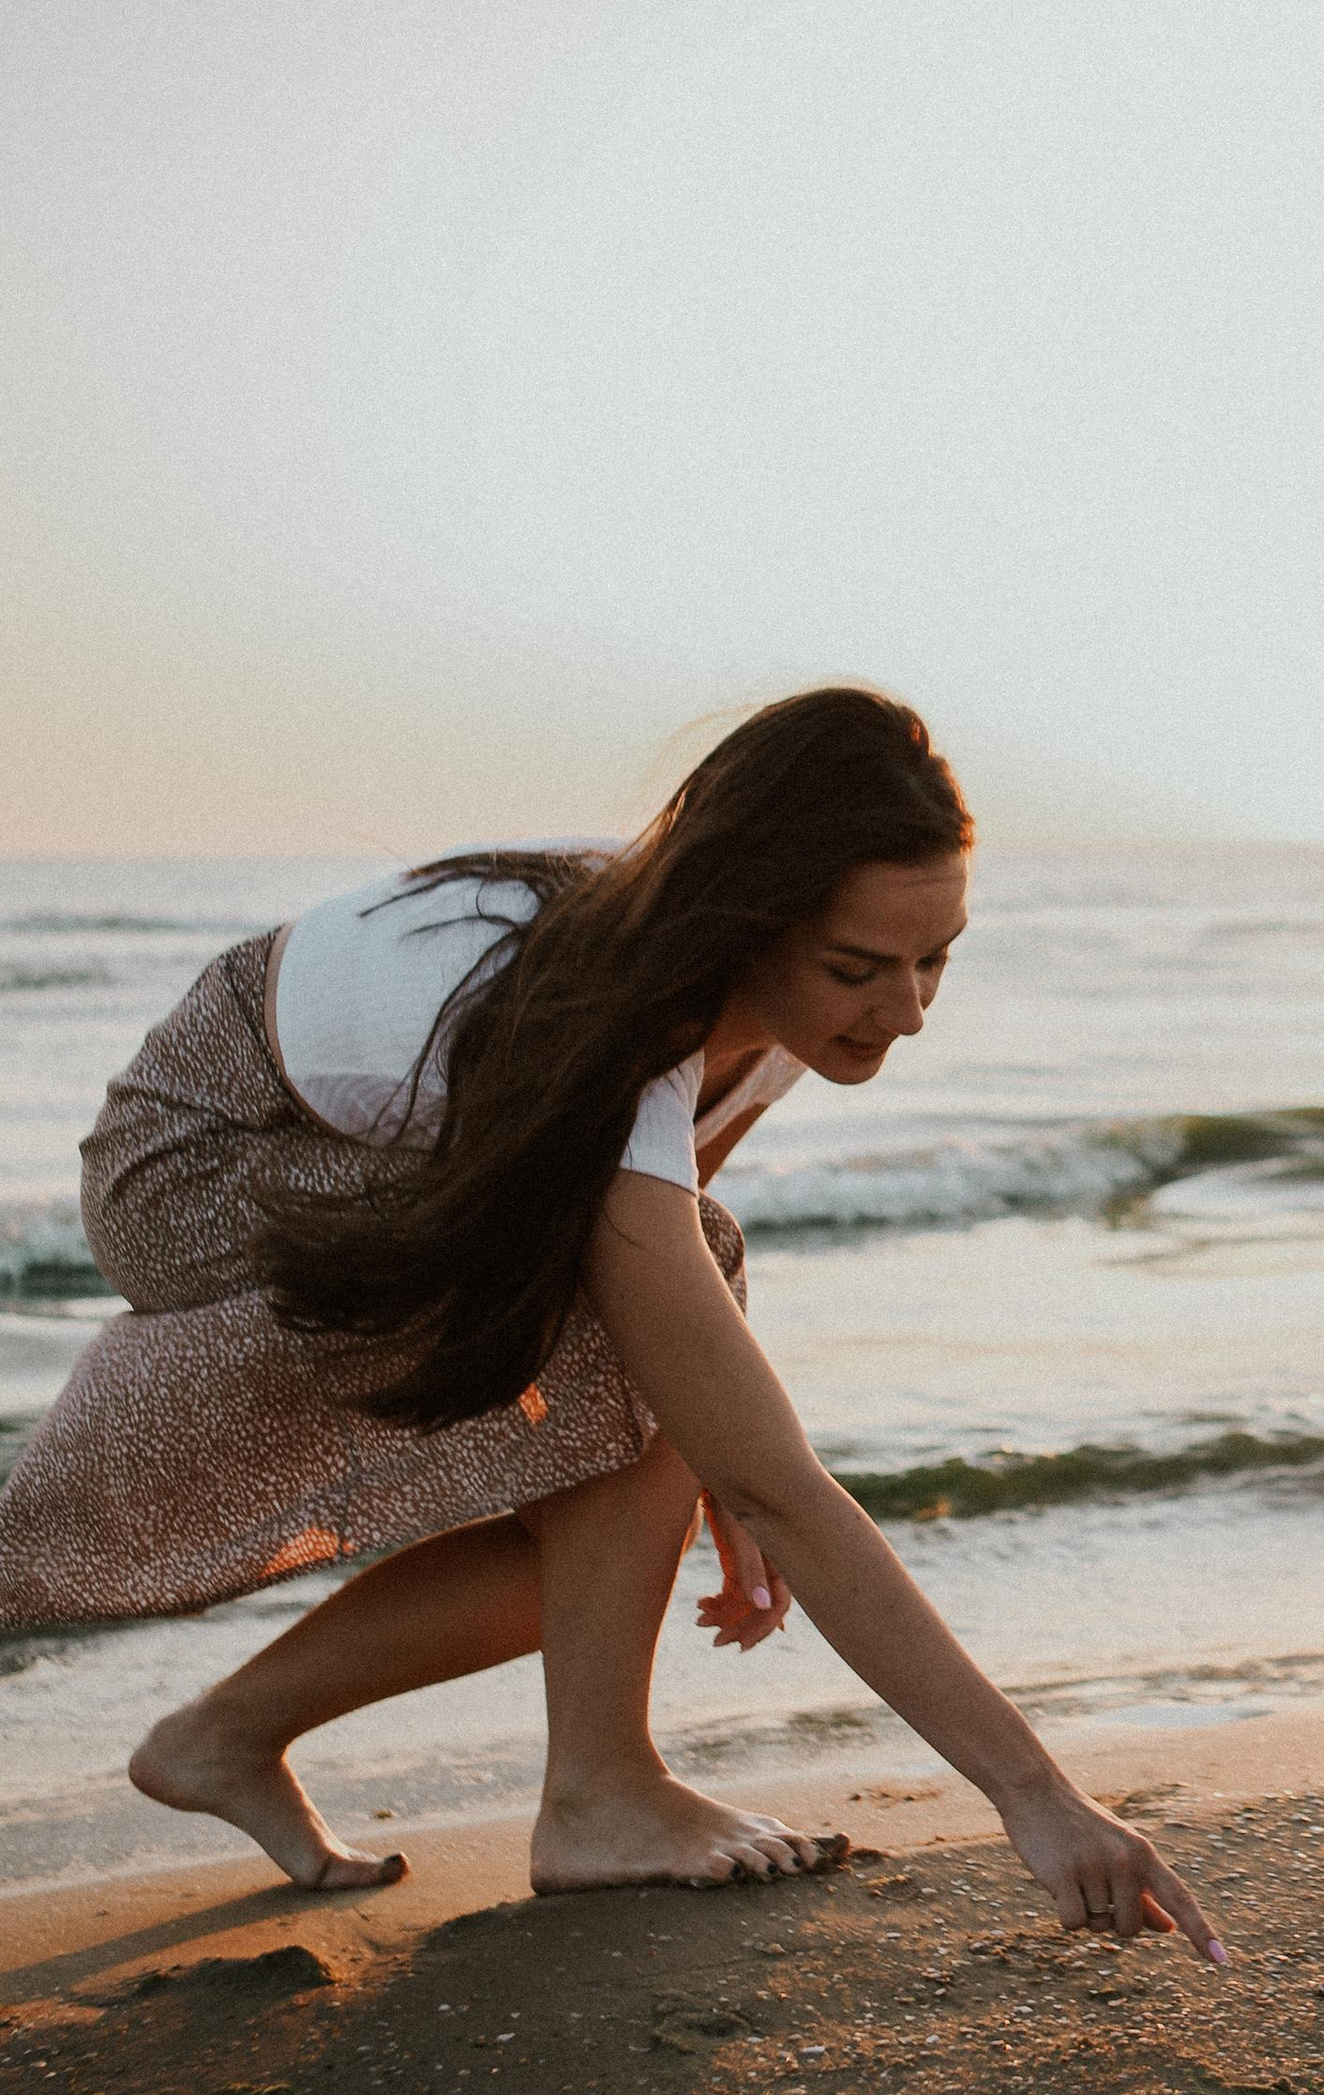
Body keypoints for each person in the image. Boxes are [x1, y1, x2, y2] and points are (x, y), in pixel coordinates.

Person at [0, 687, 1221, 1959]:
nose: (907, 1010)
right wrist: (1037, 1797)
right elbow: (748, 1416)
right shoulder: (605, 1017)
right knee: (662, 1360)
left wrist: (706, 1473)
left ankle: (226, 1737)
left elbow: (679, 1237)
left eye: (936, 960)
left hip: (403, 1162)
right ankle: (598, 1793)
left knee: (615, 1519)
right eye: (862, 969)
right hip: (206, 1154)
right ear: (745, 923)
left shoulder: (785, 1008)